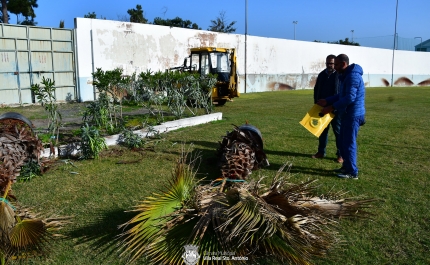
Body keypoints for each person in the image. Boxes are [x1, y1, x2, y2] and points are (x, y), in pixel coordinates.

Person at [318, 54, 366, 180]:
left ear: (344, 64)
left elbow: (350, 97)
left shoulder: (352, 76)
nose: (335, 67)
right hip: (347, 114)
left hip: (353, 115)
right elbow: (341, 95)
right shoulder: (346, 76)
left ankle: (352, 172)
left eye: (337, 65)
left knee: (349, 143)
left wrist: (331, 107)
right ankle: (346, 167)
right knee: (344, 142)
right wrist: (327, 100)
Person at [312, 54, 342, 163]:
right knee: (322, 131)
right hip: (322, 108)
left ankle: (340, 155)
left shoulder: (339, 75)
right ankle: (321, 152)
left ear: (335, 64)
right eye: (328, 63)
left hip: (335, 109)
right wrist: (316, 103)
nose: (329, 65)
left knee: (338, 132)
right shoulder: (321, 75)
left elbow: (341, 93)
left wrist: (336, 106)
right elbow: (316, 90)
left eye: (332, 63)